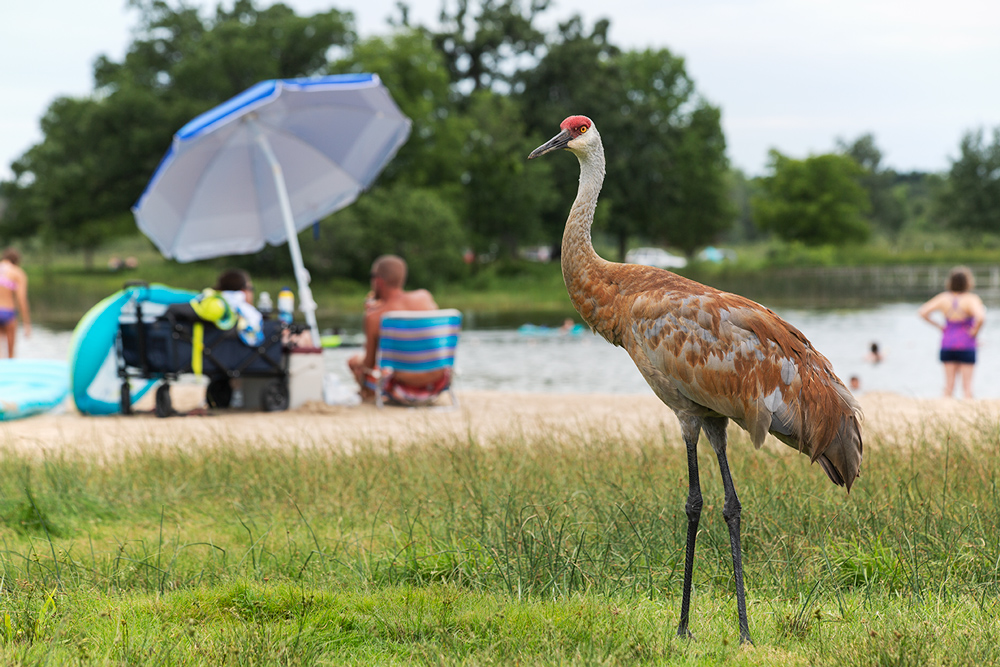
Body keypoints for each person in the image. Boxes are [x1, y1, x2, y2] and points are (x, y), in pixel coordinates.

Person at [348, 255, 442, 400]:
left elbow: (369, 363)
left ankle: (367, 395)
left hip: (401, 385)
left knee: (354, 361)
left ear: (378, 280)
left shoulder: (374, 317)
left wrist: (371, 311)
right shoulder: (425, 298)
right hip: (436, 381)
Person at [918, 266, 986, 399]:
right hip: (966, 343)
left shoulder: (943, 298)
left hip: (948, 342)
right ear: (968, 282)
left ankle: (943, 412)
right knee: (967, 388)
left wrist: (939, 326)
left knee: (948, 386)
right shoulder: (971, 299)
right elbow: (981, 317)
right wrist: (975, 332)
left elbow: (922, 312)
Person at [0, 248, 31, 358]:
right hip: (8, 312)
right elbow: (21, 299)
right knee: (11, 354)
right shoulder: (17, 273)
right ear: (17, 261)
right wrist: (27, 324)